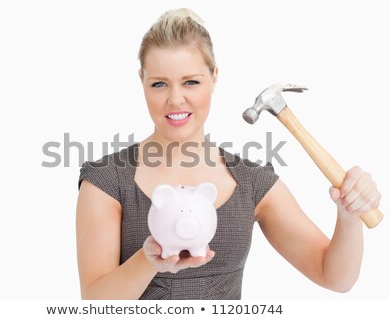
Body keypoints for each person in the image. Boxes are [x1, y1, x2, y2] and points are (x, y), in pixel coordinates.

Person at [75, 8, 381, 299]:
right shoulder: (106, 181)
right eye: (159, 84)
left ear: (214, 78)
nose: (176, 99)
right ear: (141, 80)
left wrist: (349, 215)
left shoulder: (251, 181)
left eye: (191, 82)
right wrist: (149, 260)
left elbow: (335, 277)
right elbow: (94, 299)